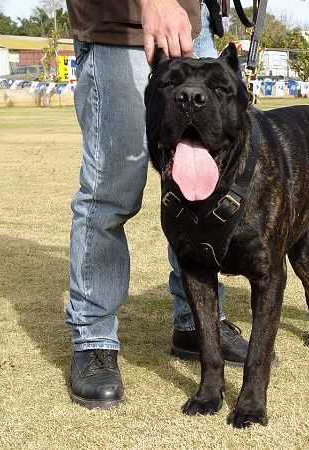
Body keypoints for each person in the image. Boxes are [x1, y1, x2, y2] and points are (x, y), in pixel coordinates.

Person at [65, 0, 252, 409]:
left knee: (203, 191)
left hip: (189, 19)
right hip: (120, 26)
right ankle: (93, 336)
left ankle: (196, 323)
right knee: (110, 193)